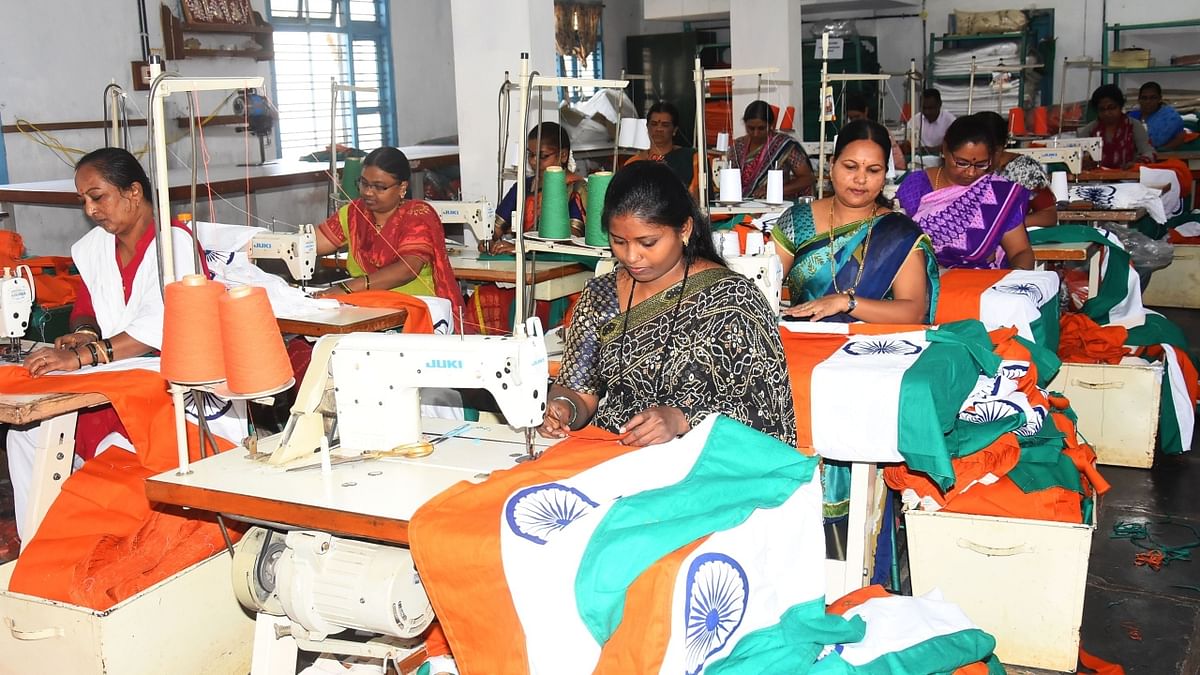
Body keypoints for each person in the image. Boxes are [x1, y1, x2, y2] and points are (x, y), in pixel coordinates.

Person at [6, 147, 227, 540]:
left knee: (113, 450)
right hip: (115, 373)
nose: (90, 210)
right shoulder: (95, 249)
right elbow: (87, 306)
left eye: (98, 196)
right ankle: (42, 543)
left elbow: (155, 328)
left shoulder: (174, 247)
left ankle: (93, 538)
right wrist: (86, 332)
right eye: (84, 201)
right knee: (26, 437)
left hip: (167, 379)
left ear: (134, 193)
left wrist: (79, 358)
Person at [539, 161, 796, 447]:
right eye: (619, 241)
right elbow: (580, 391)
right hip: (614, 451)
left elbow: (768, 412)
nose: (632, 256)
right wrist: (562, 407)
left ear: (684, 229)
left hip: (705, 459)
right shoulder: (602, 295)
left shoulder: (733, 299)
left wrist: (682, 419)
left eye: (647, 242)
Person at [772, 120, 937, 324]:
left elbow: (913, 312)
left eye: (873, 170)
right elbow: (766, 288)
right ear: (832, 165)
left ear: (885, 174)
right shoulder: (798, 221)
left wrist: (846, 302)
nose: (860, 179)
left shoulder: (899, 232)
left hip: (874, 347)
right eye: (850, 167)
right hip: (803, 343)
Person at [313, 146, 463, 320]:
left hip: (415, 313)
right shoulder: (353, 214)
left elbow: (406, 269)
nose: (368, 192)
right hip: (364, 310)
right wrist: (280, 244)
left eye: (379, 187)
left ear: (402, 187)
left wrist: (347, 288)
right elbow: (312, 243)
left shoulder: (417, 215)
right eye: (364, 183)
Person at [896, 115, 1035, 270]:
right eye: (961, 163)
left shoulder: (997, 194)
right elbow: (898, 242)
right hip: (922, 281)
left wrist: (1016, 277)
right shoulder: (917, 185)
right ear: (945, 151)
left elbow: (1020, 251)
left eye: (981, 165)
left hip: (980, 283)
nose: (971, 173)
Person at [483, 122, 586, 255]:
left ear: (563, 155)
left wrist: (522, 246)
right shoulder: (522, 188)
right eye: (530, 155)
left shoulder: (577, 189)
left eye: (543, 156)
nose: (533, 161)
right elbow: (494, 228)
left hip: (563, 264)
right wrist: (488, 241)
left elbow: (572, 237)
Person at [974, 110, 1058, 228]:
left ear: (1003, 144)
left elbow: (1049, 216)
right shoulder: (963, 169)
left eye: (992, 151)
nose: (983, 158)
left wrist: (1008, 226)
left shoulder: (1025, 170)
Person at [728, 100, 814, 200]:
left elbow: (807, 178)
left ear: (771, 125)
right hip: (742, 205)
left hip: (776, 206)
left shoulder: (784, 145)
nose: (756, 133)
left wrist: (775, 191)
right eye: (751, 128)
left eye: (761, 128)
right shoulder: (738, 146)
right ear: (745, 124)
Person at [623, 101, 699, 198]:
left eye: (665, 125)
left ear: (674, 130)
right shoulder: (633, 163)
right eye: (654, 124)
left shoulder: (692, 158)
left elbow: (697, 196)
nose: (659, 129)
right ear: (647, 127)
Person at [1077, 84, 1155, 169]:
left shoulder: (1134, 126)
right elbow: (1076, 153)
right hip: (1097, 179)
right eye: (1102, 109)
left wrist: (1137, 163)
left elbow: (1149, 151)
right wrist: (1083, 162)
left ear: (1120, 106)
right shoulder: (1090, 130)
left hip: (1128, 178)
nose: (1107, 113)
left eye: (1112, 108)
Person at [845, 93, 907, 171]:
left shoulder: (880, 132)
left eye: (857, 116)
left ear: (866, 111)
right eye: (851, 118)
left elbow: (898, 163)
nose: (854, 121)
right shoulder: (848, 132)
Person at [1129, 81, 1188, 151]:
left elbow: (1180, 138)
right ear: (1139, 100)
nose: (1148, 101)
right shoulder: (1132, 117)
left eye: (1153, 98)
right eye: (1144, 98)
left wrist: (1158, 151)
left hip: (1163, 157)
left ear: (1160, 99)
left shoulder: (1170, 118)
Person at [907, 88, 956, 153]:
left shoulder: (950, 121)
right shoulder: (915, 120)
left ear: (940, 104)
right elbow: (907, 141)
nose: (927, 112)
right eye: (923, 108)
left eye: (930, 108)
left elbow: (954, 145)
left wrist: (931, 150)